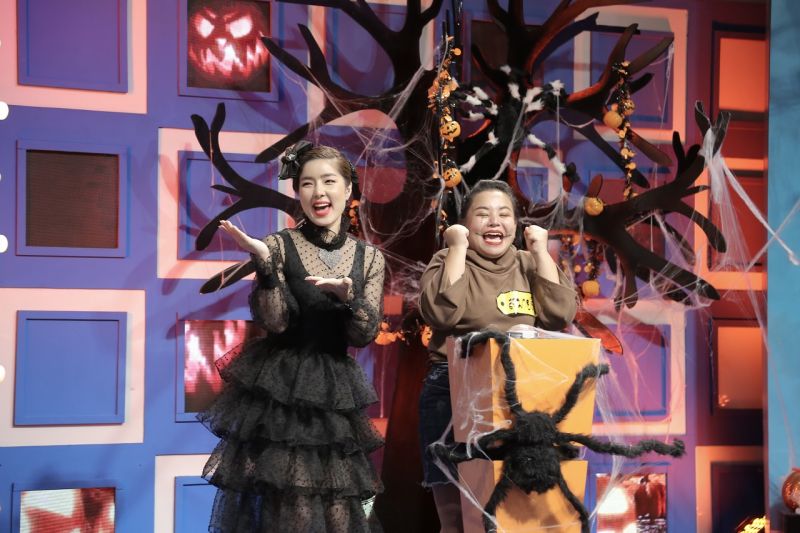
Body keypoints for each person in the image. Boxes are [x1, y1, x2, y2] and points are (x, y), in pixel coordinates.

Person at [198, 142, 385, 532]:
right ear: (298, 191)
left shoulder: (369, 257)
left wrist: (348, 300)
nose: (318, 192)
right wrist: (265, 267)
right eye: (307, 183)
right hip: (284, 389)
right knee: (292, 508)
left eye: (329, 181)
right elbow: (276, 321)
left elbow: (363, 334)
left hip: (334, 391)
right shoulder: (279, 245)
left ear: (348, 189)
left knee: (339, 510)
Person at [418, 179, 578, 532]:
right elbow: (442, 314)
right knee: (456, 518)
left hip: (517, 396)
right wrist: (456, 248)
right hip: (452, 388)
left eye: (504, 214)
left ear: (516, 225)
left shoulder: (527, 263)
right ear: (464, 224)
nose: (495, 222)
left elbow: (560, 314)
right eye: (483, 214)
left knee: (508, 515)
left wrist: (541, 252)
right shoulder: (447, 259)